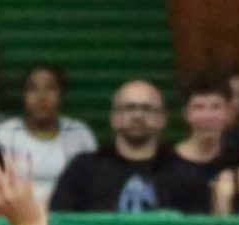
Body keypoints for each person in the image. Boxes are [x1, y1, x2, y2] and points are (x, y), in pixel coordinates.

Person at [55, 80, 197, 213]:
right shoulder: (82, 171)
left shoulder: (185, 175)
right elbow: (58, 224)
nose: (137, 116)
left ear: (162, 119)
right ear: (113, 118)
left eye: (147, 109)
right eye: (129, 108)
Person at [0, 64, 97, 193]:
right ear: (23, 95)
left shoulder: (80, 133)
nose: (42, 97)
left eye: (51, 88)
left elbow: (93, 183)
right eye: (33, 89)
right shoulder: (3, 134)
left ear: (61, 94)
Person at [168, 74, 237, 197]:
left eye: (216, 107)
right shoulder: (165, 162)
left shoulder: (238, 160)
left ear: (229, 113)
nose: (208, 116)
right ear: (185, 113)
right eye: (198, 107)